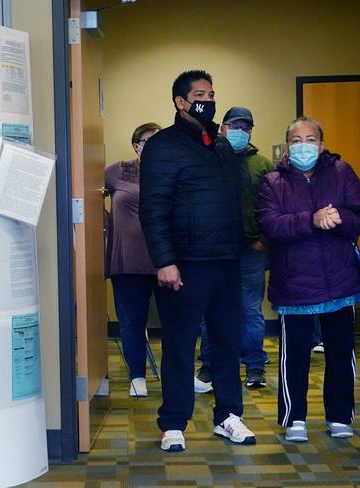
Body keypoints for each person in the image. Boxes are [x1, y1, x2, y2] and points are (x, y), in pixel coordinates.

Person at [139, 70, 255, 452]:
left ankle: (229, 416)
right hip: (185, 264)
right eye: (200, 94)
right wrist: (164, 260)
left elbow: (234, 203)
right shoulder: (163, 146)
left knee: (226, 342)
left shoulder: (221, 147)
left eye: (212, 93)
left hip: (226, 261)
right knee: (179, 344)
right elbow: (152, 209)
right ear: (181, 102)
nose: (208, 99)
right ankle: (173, 422)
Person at [256, 116, 360, 442]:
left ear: (322, 144)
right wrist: (312, 220)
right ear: (287, 147)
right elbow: (271, 225)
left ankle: (340, 416)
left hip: (339, 279)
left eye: (311, 139)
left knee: (341, 353)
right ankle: (294, 418)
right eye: (297, 140)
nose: (304, 146)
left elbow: (357, 218)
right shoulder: (272, 181)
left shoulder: (342, 172)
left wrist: (339, 218)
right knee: (295, 356)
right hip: (294, 282)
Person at [195, 107, 275, 392]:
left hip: (251, 250)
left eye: (245, 126)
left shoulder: (263, 164)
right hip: (214, 251)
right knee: (210, 309)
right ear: (222, 128)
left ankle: (254, 365)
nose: (240, 130)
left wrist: (263, 240)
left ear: (251, 131)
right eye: (233, 125)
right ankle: (209, 365)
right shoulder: (208, 159)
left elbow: (274, 207)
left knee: (250, 309)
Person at [105, 122, 161, 397]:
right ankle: (137, 376)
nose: (152, 145)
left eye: (158, 140)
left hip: (165, 261)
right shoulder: (119, 170)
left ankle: (182, 376)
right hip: (127, 262)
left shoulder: (170, 172)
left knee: (179, 322)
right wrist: (106, 223)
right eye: (147, 141)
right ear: (136, 146)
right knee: (132, 321)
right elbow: (86, 195)